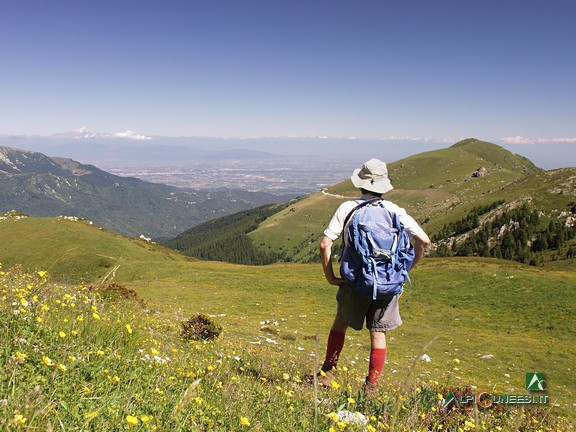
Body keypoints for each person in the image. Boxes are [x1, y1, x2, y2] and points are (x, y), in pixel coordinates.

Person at [317, 158, 430, 393]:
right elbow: (424, 241)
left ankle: (328, 372)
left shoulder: (348, 208)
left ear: (361, 184)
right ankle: (371, 387)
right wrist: (404, 271)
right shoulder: (396, 212)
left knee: (340, 323)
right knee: (378, 333)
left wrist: (330, 276)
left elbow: (324, 244)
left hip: (355, 281)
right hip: (389, 283)